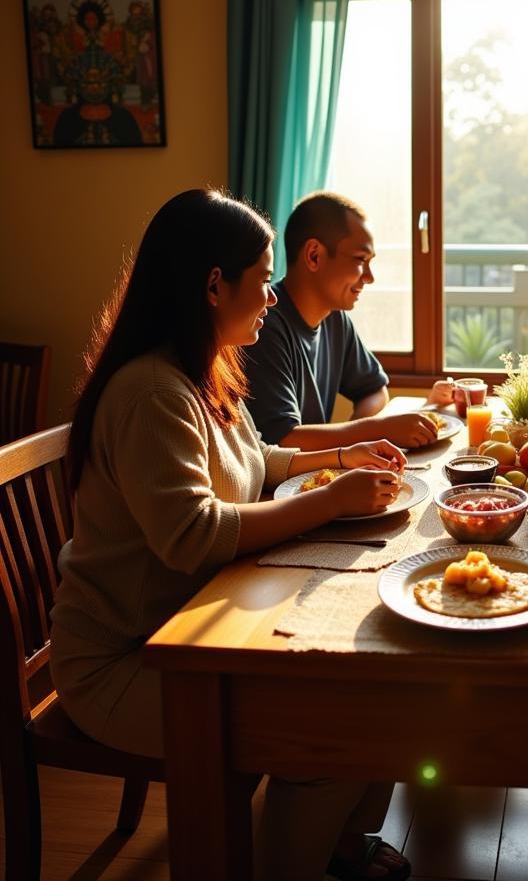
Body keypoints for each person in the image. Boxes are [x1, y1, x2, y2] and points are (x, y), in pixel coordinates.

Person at [50, 189, 412, 881]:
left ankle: (335, 850)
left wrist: (338, 458)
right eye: (262, 277)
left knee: (371, 685)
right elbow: (193, 535)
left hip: (193, 622)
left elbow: (260, 461)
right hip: (130, 658)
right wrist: (331, 499)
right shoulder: (154, 393)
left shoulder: (202, 367)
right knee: (329, 735)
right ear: (215, 285)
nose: (273, 297)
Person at [245, 191, 452, 451]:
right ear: (314, 256)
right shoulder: (261, 324)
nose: (369, 277)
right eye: (360, 260)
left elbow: (375, 390)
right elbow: (282, 440)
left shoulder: (335, 319)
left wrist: (359, 438)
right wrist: (375, 432)